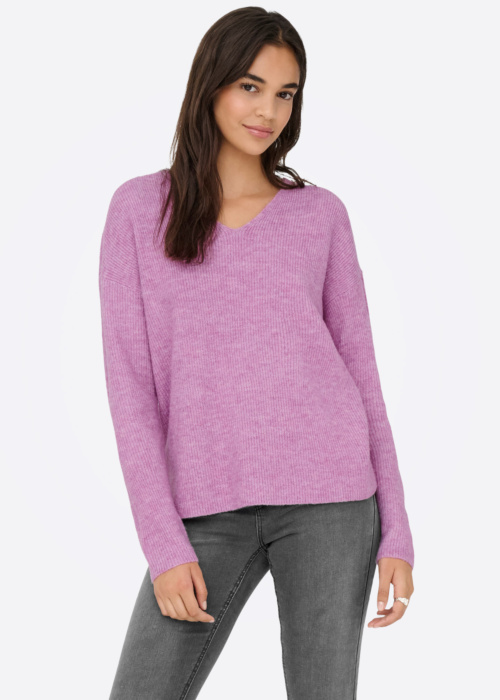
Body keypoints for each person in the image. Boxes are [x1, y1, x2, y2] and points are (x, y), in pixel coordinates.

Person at [98, 7, 415, 699]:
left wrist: (396, 530)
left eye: (285, 93)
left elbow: (362, 375)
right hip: (203, 509)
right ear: (210, 84)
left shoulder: (320, 215)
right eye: (250, 86)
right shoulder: (139, 209)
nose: (268, 109)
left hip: (333, 500)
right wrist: (163, 544)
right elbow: (130, 390)